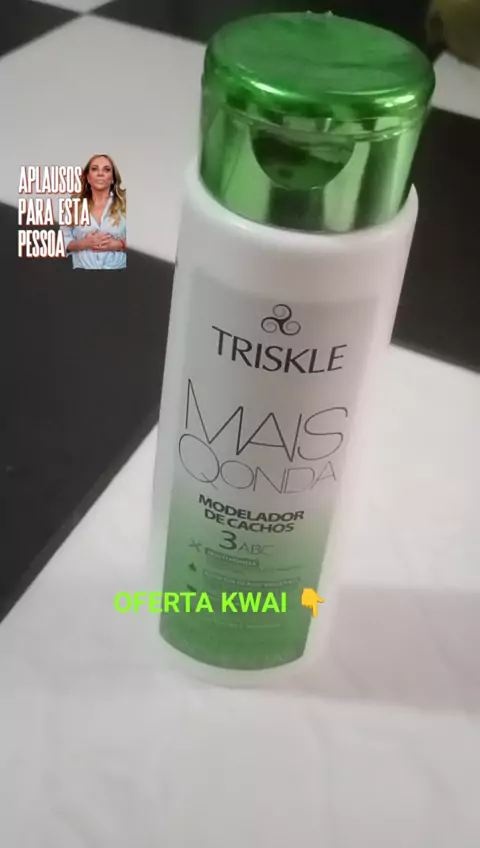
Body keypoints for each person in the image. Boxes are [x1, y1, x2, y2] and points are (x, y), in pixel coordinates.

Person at [62, 154, 127, 270]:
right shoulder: (73, 205)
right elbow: (62, 242)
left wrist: (119, 244)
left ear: (113, 178)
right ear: (88, 177)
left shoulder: (124, 204)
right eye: (94, 169)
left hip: (119, 273)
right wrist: (84, 243)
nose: (100, 173)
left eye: (106, 169)